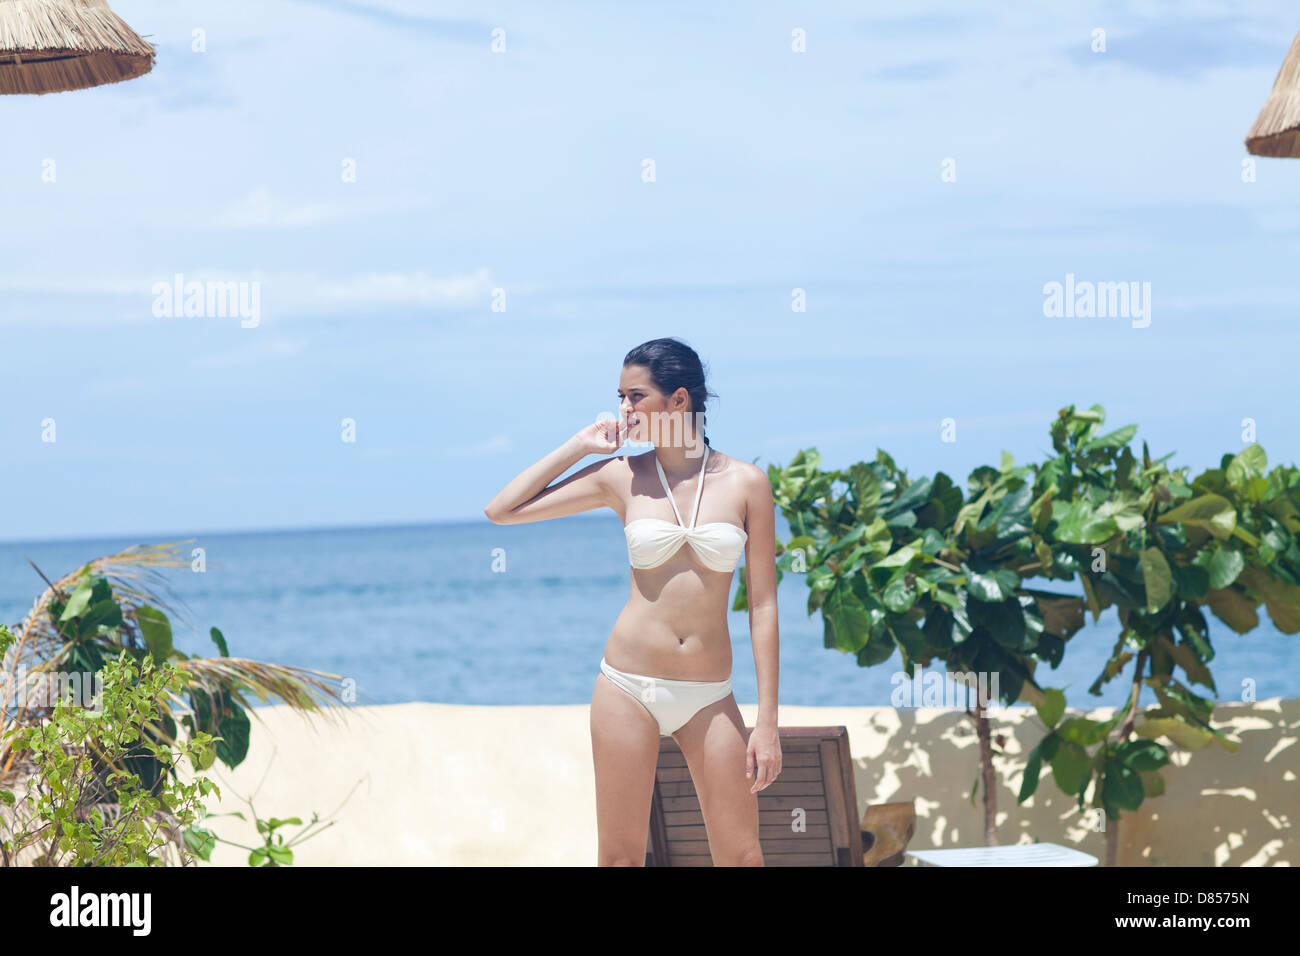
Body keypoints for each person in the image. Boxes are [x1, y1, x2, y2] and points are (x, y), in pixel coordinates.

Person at [484, 337, 781, 866]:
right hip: (627, 685)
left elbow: (763, 607)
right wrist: (580, 445)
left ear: (679, 400)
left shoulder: (747, 484)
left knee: (742, 856)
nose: (622, 410)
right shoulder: (622, 476)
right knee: (620, 858)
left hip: (710, 693)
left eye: (634, 397)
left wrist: (767, 722)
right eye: (620, 397)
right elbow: (503, 510)